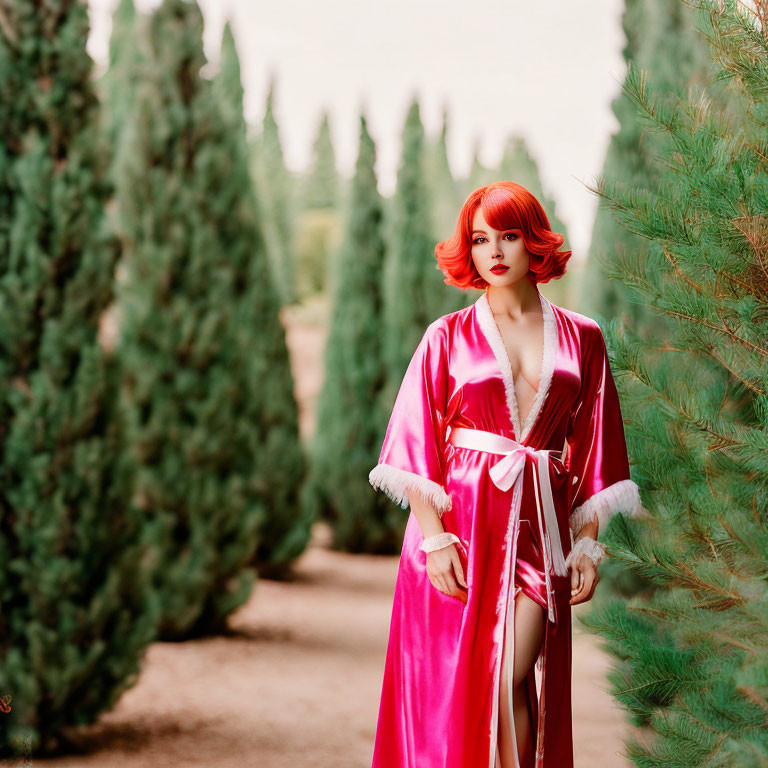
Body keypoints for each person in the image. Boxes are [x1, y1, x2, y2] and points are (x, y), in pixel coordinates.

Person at [367, 181, 643, 768]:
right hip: (461, 533)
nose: (494, 251)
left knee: (502, 677)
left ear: (533, 242)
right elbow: (415, 446)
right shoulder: (445, 337)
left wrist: (588, 547)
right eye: (480, 239)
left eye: (509, 236)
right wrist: (434, 539)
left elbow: (595, 448)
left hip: (540, 534)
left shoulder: (583, 337)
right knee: (490, 687)